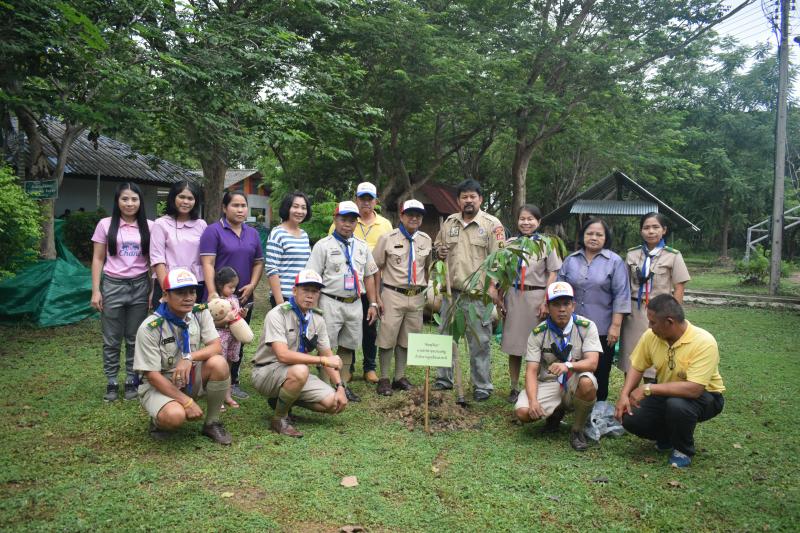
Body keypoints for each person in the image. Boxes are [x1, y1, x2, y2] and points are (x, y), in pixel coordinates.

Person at [615, 295, 725, 468]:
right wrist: (624, 395)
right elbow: (637, 366)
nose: (650, 327)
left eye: (653, 322)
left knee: (678, 405)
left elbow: (694, 389)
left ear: (669, 321)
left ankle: (683, 449)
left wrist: (648, 388)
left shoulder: (704, 342)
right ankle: (665, 437)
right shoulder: (651, 337)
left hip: (706, 397)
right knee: (629, 416)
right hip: (666, 392)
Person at [133, 268, 233, 445]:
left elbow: (216, 347)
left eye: (192, 292)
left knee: (219, 363)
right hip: (160, 383)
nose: (188, 297)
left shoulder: (200, 312)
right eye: (180, 292)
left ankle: (212, 423)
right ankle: (158, 422)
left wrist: (189, 358)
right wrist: (187, 402)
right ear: (165, 295)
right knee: (175, 416)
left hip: (188, 376)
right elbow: (152, 376)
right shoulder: (150, 327)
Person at [251, 269, 348, 437]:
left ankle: (282, 400)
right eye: (306, 290)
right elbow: (282, 355)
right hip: (266, 371)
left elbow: (328, 354)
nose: (310, 295)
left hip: (294, 374)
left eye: (315, 291)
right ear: (295, 291)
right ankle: (279, 419)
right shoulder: (278, 314)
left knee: (334, 403)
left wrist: (340, 387)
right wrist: (322, 360)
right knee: (301, 370)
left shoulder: (317, 319)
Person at [432, 179, 505, 401]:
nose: (469, 200)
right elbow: (437, 249)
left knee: (480, 342)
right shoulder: (449, 223)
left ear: (480, 199)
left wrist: (493, 288)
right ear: (458, 200)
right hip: (451, 294)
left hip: (478, 297)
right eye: (464, 197)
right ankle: (444, 379)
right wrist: (439, 253)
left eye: (473, 196)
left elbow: (499, 261)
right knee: (445, 338)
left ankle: (482, 385)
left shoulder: (492, 225)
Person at [514, 282, 601, 451]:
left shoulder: (587, 327)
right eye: (556, 304)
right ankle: (555, 413)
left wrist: (568, 366)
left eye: (566, 304)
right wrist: (533, 401)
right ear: (547, 307)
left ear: (573, 306)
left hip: (575, 379)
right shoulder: (538, 333)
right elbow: (531, 371)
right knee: (523, 412)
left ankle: (577, 429)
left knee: (587, 383)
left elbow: (592, 363)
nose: (562, 309)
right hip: (549, 382)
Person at [307, 200, 379, 402]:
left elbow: (369, 276)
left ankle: (343, 385)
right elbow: (313, 278)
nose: (347, 224)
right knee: (326, 345)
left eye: (351, 221)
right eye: (343, 219)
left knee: (348, 346)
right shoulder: (323, 246)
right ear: (335, 219)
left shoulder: (362, 247)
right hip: (330, 302)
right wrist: (313, 309)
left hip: (355, 303)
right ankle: (323, 387)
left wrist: (372, 303)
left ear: (357, 223)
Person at [91, 182, 154, 402]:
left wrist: (151, 291)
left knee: (135, 338)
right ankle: (111, 381)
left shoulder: (150, 226)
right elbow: (98, 259)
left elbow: (154, 262)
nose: (129, 203)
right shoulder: (105, 225)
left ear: (140, 202)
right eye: (125, 199)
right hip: (112, 285)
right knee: (111, 338)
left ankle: (131, 380)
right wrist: (96, 291)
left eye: (134, 199)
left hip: (139, 285)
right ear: (117, 201)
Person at [200, 191, 265, 400]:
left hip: (243, 298)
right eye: (235, 205)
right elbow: (208, 263)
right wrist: (212, 293)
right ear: (224, 207)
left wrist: (252, 285)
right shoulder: (213, 231)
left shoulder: (253, 233)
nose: (240, 209)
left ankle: (233, 381)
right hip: (219, 301)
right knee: (215, 340)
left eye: (243, 206)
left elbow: (258, 262)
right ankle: (208, 382)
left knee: (238, 339)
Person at [557, 218, 630, 402]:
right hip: (571, 325)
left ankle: (598, 408)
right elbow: (560, 290)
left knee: (601, 370)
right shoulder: (571, 260)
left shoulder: (615, 262)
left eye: (599, 234)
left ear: (606, 238)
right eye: (590, 233)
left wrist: (616, 325)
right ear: (583, 235)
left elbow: (621, 294)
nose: (594, 237)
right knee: (569, 365)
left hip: (602, 327)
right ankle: (567, 404)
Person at [329, 182, 393, 384]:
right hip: (347, 286)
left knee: (370, 326)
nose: (366, 202)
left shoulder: (385, 225)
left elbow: (387, 259)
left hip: (373, 281)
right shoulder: (344, 222)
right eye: (362, 198)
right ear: (356, 199)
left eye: (369, 199)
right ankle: (349, 367)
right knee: (349, 326)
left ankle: (370, 367)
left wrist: (378, 296)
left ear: (376, 201)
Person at [499, 204, 562, 404]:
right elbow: (502, 272)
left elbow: (553, 272)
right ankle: (514, 386)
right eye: (522, 219)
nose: (526, 223)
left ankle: (539, 383)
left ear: (539, 221)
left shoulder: (547, 244)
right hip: (515, 296)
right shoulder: (511, 244)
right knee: (514, 345)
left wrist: (547, 301)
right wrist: (500, 297)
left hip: (537, 298)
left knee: (539, 345)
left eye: (530, 219)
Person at [372, 199, 433, 396]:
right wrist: (377, 297)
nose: (414, 218)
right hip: (392, 293)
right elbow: (375, 268)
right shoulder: (387, 238)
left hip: (415, 297)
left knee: (408, 338)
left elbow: (427, 268)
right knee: (387, 337)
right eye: (410, 214)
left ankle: (399, 376)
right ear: (401, 216)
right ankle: (383, 378)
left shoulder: (425, 239)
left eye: (418, 215)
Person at [619, 212, 691, 381]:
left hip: (660, 313)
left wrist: (674, 314)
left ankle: (650, 397)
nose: (651, 231)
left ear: (664, 230)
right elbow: (624, 285)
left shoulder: (673, 255)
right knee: (631, 355)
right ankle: (628, 396)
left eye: (655, 227)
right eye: (646, 228)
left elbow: (679, 286)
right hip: (634, 312)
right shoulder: (632, 254)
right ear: (641, 231)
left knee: (656, 354)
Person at [150, 180, 207, 307]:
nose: (185, 202)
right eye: (181, 197)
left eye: (190, 198)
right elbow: (157, 259)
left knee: (193, 325)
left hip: (195, 285)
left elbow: (206, 258)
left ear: (196, 201)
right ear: (173, 198)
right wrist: (167, 290)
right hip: (168, 284)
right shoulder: (160, 224)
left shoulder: (201, 225)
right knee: (167, 326)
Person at [266, 191, 312, 307]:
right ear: (287, 208)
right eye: (295, 207)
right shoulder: (277, 233)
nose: (300, 211)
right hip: (285, 297)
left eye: (303, 208)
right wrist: (280, 302)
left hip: (302, 296)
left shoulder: (304, 235)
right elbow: (272, 270)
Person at [212, 266, 246, 409]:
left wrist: (242, 315)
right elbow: (213, 323)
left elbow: (237, 316)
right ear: (220, 285)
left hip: (234, 337)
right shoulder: (215, 301)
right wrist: (226, 320)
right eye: (230, 287)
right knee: (221, 366)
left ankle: (227, 395)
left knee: (230, 364)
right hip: (222, 337)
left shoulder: (234, 298)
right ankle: (217, 398)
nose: (233, 290)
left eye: (235, 287)